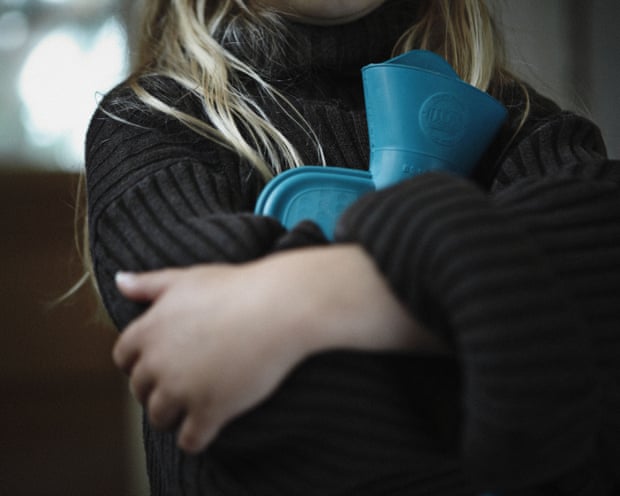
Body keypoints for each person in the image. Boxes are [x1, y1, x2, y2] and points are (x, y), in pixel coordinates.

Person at [84, 0, 620, 494]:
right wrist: (520, 323)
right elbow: (244, 397)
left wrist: (334, 292)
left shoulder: (525, 128)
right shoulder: (150, 124)